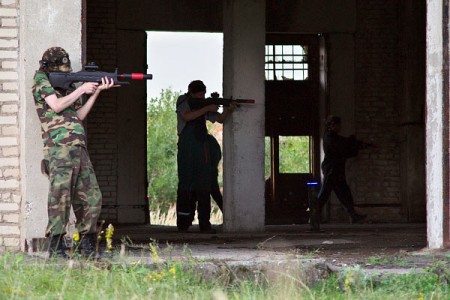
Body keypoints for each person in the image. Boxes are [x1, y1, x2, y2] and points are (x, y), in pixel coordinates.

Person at [32, 47, 117, 258]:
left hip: (78, 147)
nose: (65, 70)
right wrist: (81, 89)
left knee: (91, 197)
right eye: (62, 67)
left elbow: (78, 115)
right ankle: (57, 247)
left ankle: (85, 245)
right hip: (59, 149)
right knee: (60, 197)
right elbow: (57, 105)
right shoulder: (41, 79)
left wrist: (95, 92)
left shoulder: (68, 85)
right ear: (50, 67)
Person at [176, 80, 235, 233]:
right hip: (187, 150)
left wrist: (228, 109)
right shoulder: (183, 101)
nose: (202, 98)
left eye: (204, 95)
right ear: (192, 93)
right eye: (199, 95)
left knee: (204, 187)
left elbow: (220, 119)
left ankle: (205, 224)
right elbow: (186, 117)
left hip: (201, 150)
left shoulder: (202, 106)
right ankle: (183, 223)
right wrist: (207, 107)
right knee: (185, 186)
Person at [316, 115, 368, 224]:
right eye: (338, 125)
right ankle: (313, 216)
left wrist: (356, 144)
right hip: (331, 169)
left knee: (344, 194)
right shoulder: (329, 137)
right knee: (324, 194)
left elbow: (344, 144)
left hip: (336, 170)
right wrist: (354, 145)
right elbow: (342, 147)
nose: (340, 127)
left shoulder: (334, 137)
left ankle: (354, 216)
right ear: (332, 126)